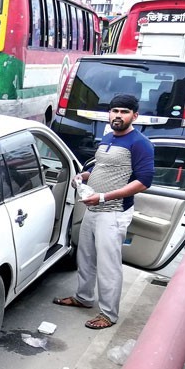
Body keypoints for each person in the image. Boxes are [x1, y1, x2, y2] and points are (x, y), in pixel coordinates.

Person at [53, 93, 154, 329]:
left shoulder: (139, 143)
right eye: (115, 111)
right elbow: (103, 167)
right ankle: (84, 298)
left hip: (114, 211)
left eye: (124, 112)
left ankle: (109, 314)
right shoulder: (109, 137)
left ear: (135, 116)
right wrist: (84, 176)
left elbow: (143, 181)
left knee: (108, 265)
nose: (118, 115)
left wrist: (104, 197)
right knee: (85, 257)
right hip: (93, 208)